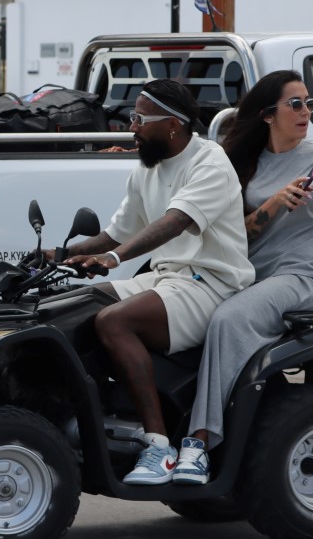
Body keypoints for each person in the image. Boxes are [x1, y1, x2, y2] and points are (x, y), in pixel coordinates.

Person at [174, 70, 313, 485]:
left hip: (303, 278)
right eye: (294, 104)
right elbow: (231, 233)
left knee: (229, 319)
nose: (305, 112)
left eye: (308, 103)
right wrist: (275, 204)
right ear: (266, 115)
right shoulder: (242, 162)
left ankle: (199, 442)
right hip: (247, 276)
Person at [61, 78, 255, 485]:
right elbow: (117, 232)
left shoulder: (211, 162)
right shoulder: (146, 168)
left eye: (138, 119)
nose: (131, 127)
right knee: (74, 307)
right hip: (167, 279)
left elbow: (175, 221)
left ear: (172, 125)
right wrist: (57, 255)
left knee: (114, 321)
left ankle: (159, 446)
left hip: (211, 284)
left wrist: (113, 259)